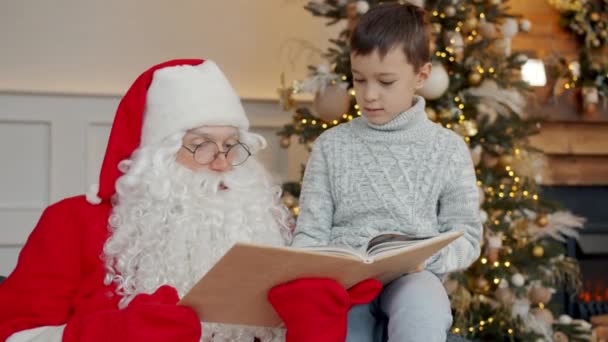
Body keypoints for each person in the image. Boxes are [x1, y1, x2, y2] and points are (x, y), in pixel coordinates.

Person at [0, 59, 301, 342]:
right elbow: (14, 333)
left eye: (231, 145)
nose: (222, 163)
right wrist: (117, 332)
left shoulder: (260, 221)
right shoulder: (72, 221)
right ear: (157, 155)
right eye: (201, 146)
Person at [290, 3, 483, 342]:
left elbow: (467, 235)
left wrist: (429, 258)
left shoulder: (447, 148)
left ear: (422, 75)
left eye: (386, 81)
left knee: (423, 306)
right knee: (341, 329)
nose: (369, 95)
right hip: (345, 282)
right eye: (359, 79)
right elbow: (310, 234)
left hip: (415, 275)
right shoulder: (331, 146)